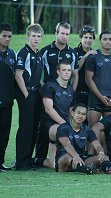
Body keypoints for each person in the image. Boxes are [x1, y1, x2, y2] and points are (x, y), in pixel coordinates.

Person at [55, 103, 111, 174]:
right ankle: (87, 169)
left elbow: (97, 145)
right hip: (63, 162)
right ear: (72, 113)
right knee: (68, 157)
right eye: (78, 113)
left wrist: (101, 152)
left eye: (83, 114)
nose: (80, 116)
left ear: (85, 116)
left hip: (81, 159)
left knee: (104, 157)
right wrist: (75, 156)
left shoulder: (87, 130)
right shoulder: (63, 128)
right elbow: (67, 145)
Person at [15, 24, 44, 171]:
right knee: (26, 128)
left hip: (36, 94)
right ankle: (21, 162)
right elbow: (18, 74)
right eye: (33, 35)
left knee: (33, 128)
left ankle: (28, 159)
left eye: (39, 36)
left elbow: (38, 77)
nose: (36, 38)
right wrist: (26, 94)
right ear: (28, 36)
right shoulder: (23, 52)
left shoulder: (38, 54)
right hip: (27, 94)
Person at [35, 61, 74, 168]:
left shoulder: (71, 90)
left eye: (69, 70)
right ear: (58, 71)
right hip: (49, 125)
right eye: (64, 70)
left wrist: (71, 124)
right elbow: (48, 109)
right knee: (63, 130)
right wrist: (64, 124)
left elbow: (71, 111)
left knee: (53, 165)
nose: (67, 72)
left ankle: (38, 161)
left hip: (64, 125)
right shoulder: (50, 86)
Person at [85, 31, 111, 127]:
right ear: (100, 41)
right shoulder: (93, 57)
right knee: (92, 129)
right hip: (95, 99)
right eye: (105, 39)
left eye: (110, 39)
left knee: (109, 130)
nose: (107, 41)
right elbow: (88, 79)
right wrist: (100, 96)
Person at [40, 22, 78, 89]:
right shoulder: (45, 51)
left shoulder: (73, 53)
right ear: (56, 33)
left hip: (65, 93)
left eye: (67, 34)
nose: (65, 37)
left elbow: (75, 75)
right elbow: (36, 72)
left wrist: (72, 92)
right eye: (62, 33)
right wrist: (43, 86)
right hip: (48, 91)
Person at [0, 23, 16, 172]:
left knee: (4, 134)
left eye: (9, 36)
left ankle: (0, 162)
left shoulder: (12, 55)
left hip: (6, 102)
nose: (7, 39)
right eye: (4, 36)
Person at [73, 25, 97, 106]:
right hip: (77, 90)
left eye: (90, 38)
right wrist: (86, 55)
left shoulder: (95, 53)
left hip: (91, 91)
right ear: (81, 38)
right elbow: (74, 70)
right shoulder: (73, 52)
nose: (88, 40)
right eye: (85, 37)